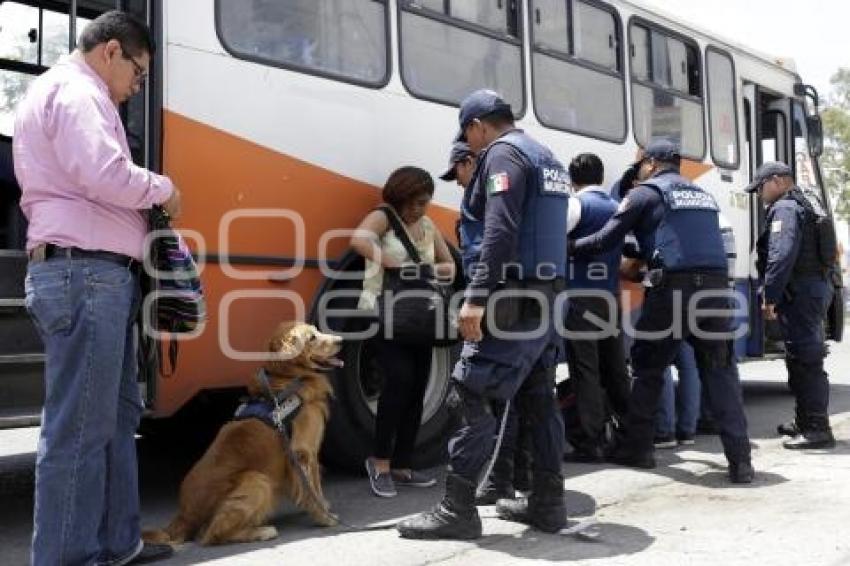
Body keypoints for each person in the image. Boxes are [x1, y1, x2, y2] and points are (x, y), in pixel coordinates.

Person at [13, 11, 181, 565]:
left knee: (115, 420)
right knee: (80, 430)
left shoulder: (68, 92)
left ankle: (118, 542)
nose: (138, 84)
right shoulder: (78, 94)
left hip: (93, 275)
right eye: (138, 71)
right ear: (111, 51)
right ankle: (68, 557)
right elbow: (105, 174)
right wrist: (163, 188)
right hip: (84, 276)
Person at [397, 89, 569, 539]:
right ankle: (549, 504)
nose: (469, 145)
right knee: (538, 399)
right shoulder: (545, 156)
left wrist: (474, 297)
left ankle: (457, 510)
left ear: (477, 126)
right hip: (545, 297)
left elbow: (500, 230)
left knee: (468, 391)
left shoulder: (503, 154)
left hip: (512, 299)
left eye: (467, 136)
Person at [570, 138, 754, 484]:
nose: (639, 170)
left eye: (640, 164)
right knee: (721, 372)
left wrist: (569, 247)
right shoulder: (702, 196)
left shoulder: (645, 193)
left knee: (648, 367)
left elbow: (606, 239)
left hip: (674, 291)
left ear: (652, 164)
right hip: (715, 290)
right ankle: (741, 461)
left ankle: (638, 449)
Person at [351, 166, 455, 497]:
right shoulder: (384, 217)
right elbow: (359, 240)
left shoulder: (428, 225)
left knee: (416, 389)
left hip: (421, 317)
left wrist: (421, 269)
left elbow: (450, 265)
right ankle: (379, 462)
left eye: (424, 203)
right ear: (399, 197)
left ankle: (403, 465)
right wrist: (391, 262)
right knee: (398, 383)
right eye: (413, 203)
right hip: (386, 313)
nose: (418, 209)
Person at [440, 141, 531, 503]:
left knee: (473, 392)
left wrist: (474, 300)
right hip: (513, 298)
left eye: (457, 173)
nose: (458, 183)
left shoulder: (493, 188)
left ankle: (464, 500)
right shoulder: (489, 193)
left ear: (468, 161)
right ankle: (503, 480)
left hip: (497, 301)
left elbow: (495, 242)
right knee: (510, 396)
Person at [748, 161, 836, 449]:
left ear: (776, 181)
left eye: (761, 187)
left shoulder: (786, 208)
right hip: (813, 288)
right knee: (799, 357)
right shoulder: (808, 201)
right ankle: (805, 421)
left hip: (800, 292)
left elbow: (781, 255)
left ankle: (817, 430)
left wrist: (769, 296)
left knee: (806, 360)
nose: (760, 194)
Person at [562, 153, 630, 462]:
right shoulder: (618, 208)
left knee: (585, 371)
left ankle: (590, 442)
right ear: (601, 177)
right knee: (615, 369)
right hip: (611, 299)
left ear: (572, 179)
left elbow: (555, 239)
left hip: (582, 298)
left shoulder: (576, 204)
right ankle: (626, 435)